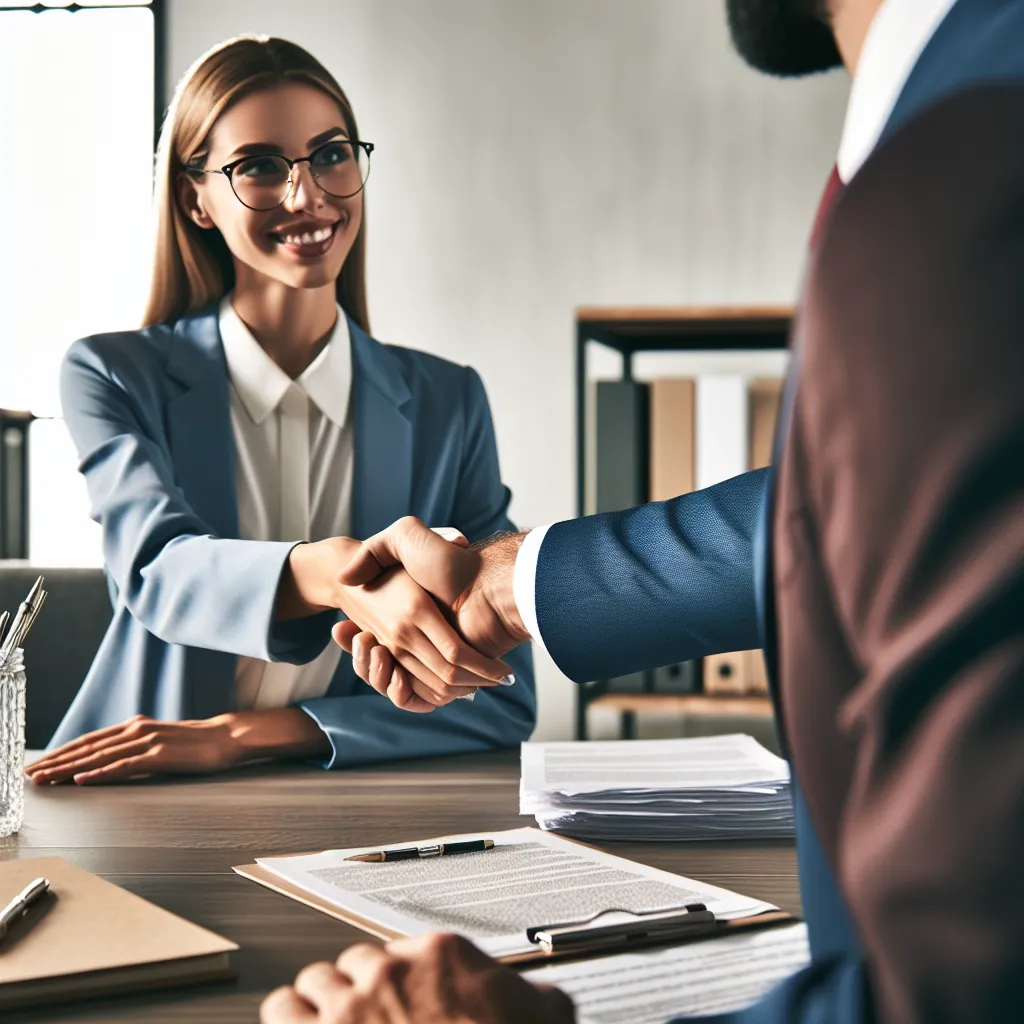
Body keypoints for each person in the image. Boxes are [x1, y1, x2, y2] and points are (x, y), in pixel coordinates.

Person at [262, 0, 1024, 1021]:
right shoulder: (960, 113)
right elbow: (854, 502)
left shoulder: (967, 158)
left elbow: (962, 986)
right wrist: (516, 582)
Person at [25, 35, 535, 787]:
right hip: (123, 789)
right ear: (195, 198)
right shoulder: (113, 374)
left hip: (344, 795)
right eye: (260, 167)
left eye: (331, 154)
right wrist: (332, 575)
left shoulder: (447, 401)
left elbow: (499, 697)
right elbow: (156, 570)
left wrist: (244, 736)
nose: (308, 196)